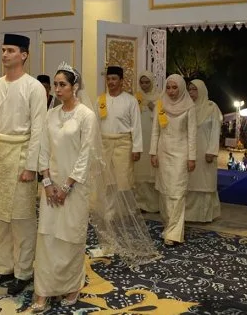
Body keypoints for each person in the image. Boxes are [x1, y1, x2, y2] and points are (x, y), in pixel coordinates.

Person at [31, 63, 159, 313]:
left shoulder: (86, 116)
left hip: (75, 188)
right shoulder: (50, 115)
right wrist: (47, 183)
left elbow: (85, 155)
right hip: (50, 187)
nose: (57, 89)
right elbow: (43, 150)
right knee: (47, 237)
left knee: (70, 237)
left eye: (62, 84)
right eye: (55, 84)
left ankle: (71, 285)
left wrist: (66, 187)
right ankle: (43, 289)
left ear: (74, 87)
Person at [0, 33, 47, 295]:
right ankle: (5, 268)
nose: (5, 55)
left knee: (22, 219)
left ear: (24, 55)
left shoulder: (34, 88)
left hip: (20, 159)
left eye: (11, 50)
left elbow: (39, 129)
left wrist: (31, 166)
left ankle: (24, 272)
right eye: (3, 50)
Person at [150, 74, 196, 246]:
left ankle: (174, 233)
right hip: (163, 152)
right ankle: (168, 226)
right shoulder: (160, 104)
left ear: (182, 88)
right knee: (164, 192)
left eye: (174, 87)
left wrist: (192, 157)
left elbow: (192, 134)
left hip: (181, 154)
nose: (171, 91)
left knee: (177, 192)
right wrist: (152, 153)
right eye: (168, 87)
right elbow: (155, 130)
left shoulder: (189, 106)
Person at [95, 66, 142, 197]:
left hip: (123, 145)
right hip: (105, 145)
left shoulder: (131, 100)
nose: (111, 82)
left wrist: (136, 149)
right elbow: (96, 125)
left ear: (121, 81)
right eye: (108, 79)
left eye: (114, 79)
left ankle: (124, 212)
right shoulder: (100, 100)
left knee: (123, 181)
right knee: (107, 182)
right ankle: (108, 214)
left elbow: (136, 126)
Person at [185, 79, 222, 223]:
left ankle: (204, 215)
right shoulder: (186, 107)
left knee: (205, 183)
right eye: (189, 89)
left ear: (202, 90)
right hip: (190, 151)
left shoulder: (211, 107)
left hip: (206, 152)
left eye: (194, 89)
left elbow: (215, 130)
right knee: (190, 182)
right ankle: (188, 215)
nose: (191, 93)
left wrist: (211, 151)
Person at [134, 71, 161, 212]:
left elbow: (164, 118)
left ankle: (154, 205)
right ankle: (140, 204)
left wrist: (154, 108)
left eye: (147, 82)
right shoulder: (136, 98)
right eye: (142, 82)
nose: (144, 85)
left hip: (153, 138)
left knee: (153, 173)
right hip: (140, 139)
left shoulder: (159, 97)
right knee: (139, 174)